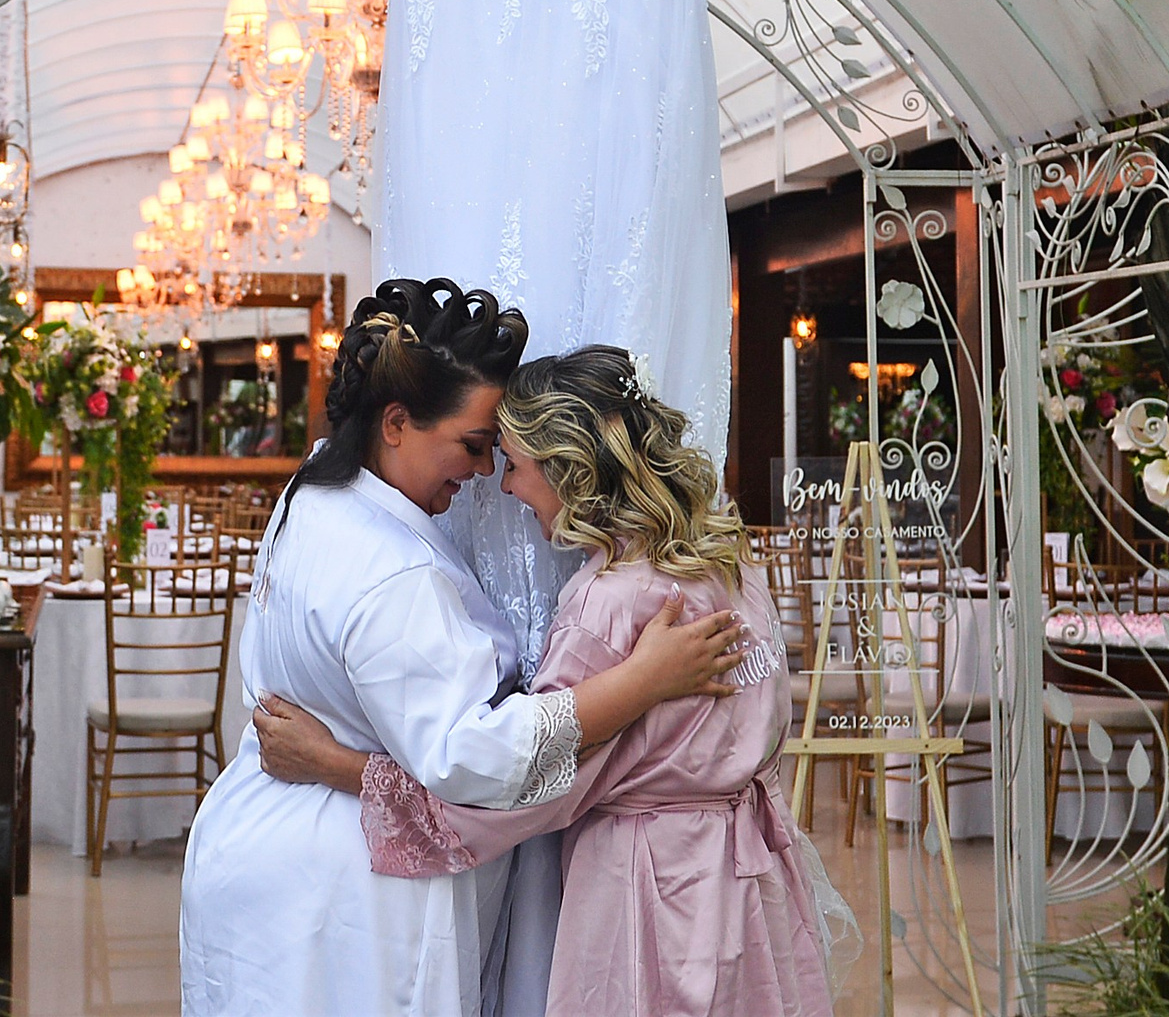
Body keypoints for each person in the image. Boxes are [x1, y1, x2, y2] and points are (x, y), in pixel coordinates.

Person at [180, 284, 748, 1017]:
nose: (485, 474)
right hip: (349, 890)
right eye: (474, 445)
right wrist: (641, 681)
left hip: (254, 849)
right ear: (396, 422)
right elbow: (469, 759)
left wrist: (330, 761)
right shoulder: (393, 572)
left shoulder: (310, 496)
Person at [255, 345, 842, 1017]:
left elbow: (516, 791)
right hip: (755, 883)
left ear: (570, 469)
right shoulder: (730, 564)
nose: (502, 485)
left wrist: (337, 764)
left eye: (513, 463)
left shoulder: (608, 603)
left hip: (652, 893)